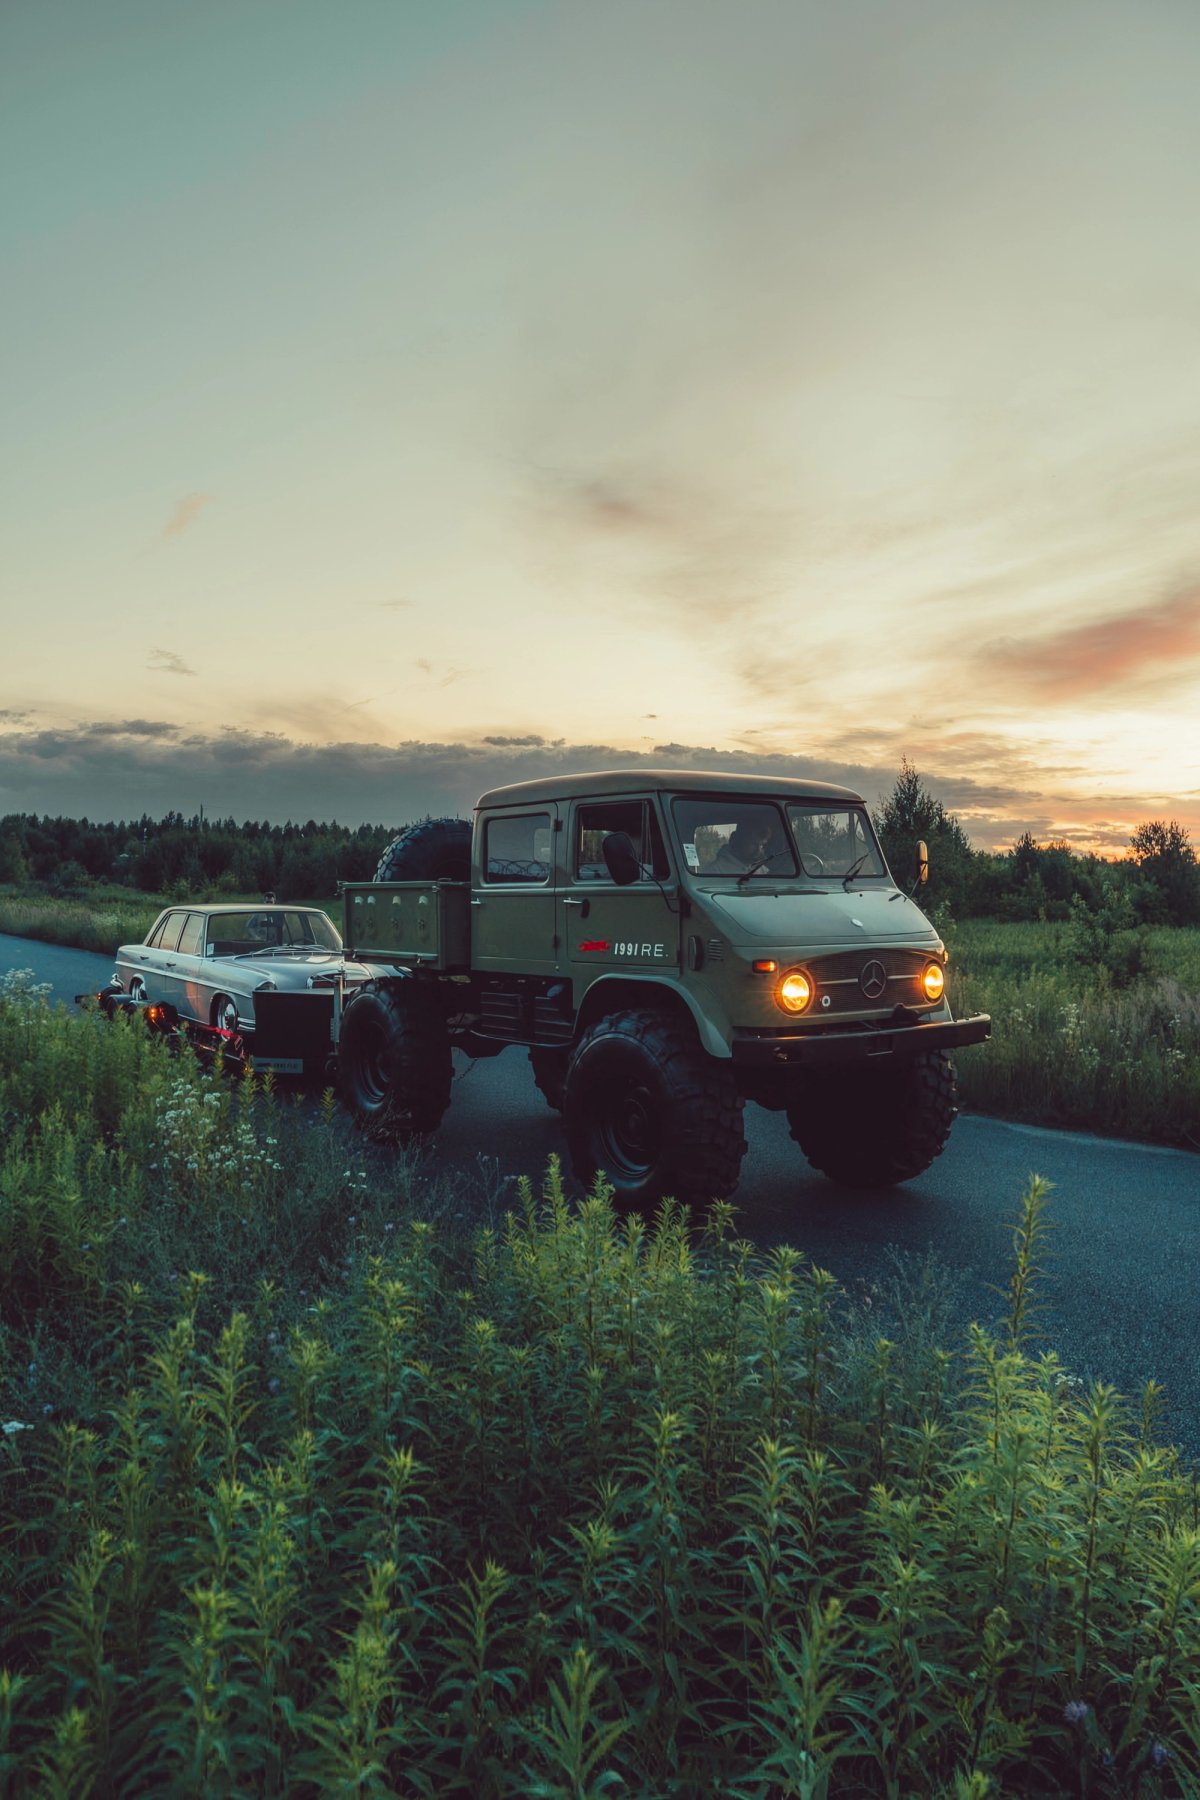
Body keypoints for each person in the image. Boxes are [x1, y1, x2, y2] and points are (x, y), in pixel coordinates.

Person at [707, 816, 777, 874]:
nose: (758, 851)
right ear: (739, 840)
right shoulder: (716, 870)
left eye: (762, 845)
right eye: (753, 844)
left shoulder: (763, 871)